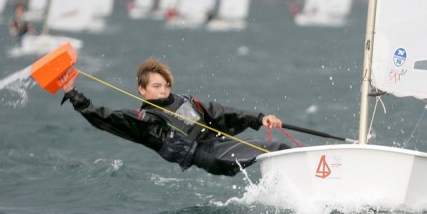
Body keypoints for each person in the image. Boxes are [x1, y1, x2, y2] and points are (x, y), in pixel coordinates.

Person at [60, 57, 290, 176]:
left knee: (278, 148)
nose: (163, 90)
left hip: (222, 144)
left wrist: (260, 119)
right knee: (274, 150)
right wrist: (72, 94)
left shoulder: (185, 101)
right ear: (142, 89)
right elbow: (104, 117)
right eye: (156, 86)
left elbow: (221, 113)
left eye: (166, 86)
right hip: (209, 156)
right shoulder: (144, 120)